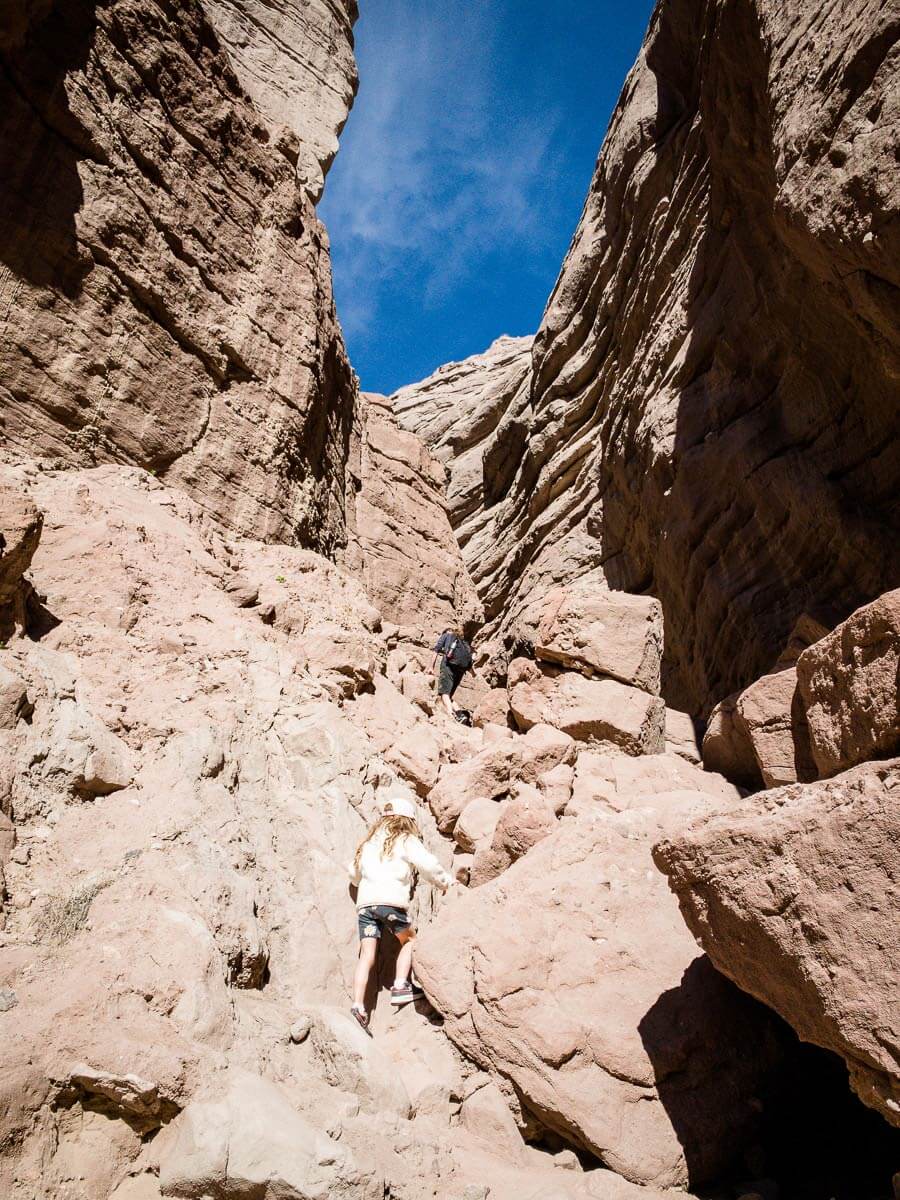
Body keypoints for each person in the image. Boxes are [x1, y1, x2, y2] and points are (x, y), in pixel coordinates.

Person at [348, 795, 455, 1032]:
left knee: (367, 954)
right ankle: (400, 987)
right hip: (390, 904)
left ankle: (357, 1005)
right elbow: (427, 865)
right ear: (407, 821)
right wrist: (446, 883)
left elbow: (353, 874)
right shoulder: (405, 840)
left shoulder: (368, 844)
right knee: (409, 940)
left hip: (366, 906)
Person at [431, 628, 472, 719]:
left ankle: (450, 713)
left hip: (448, 666)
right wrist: (473, 673)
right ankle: (459, 714)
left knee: (444, 693)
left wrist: (431, 667)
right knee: (448, 696)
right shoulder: (464, 643)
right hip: (460, 670)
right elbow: (469, 662)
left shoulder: (446, 635)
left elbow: (436, 651)